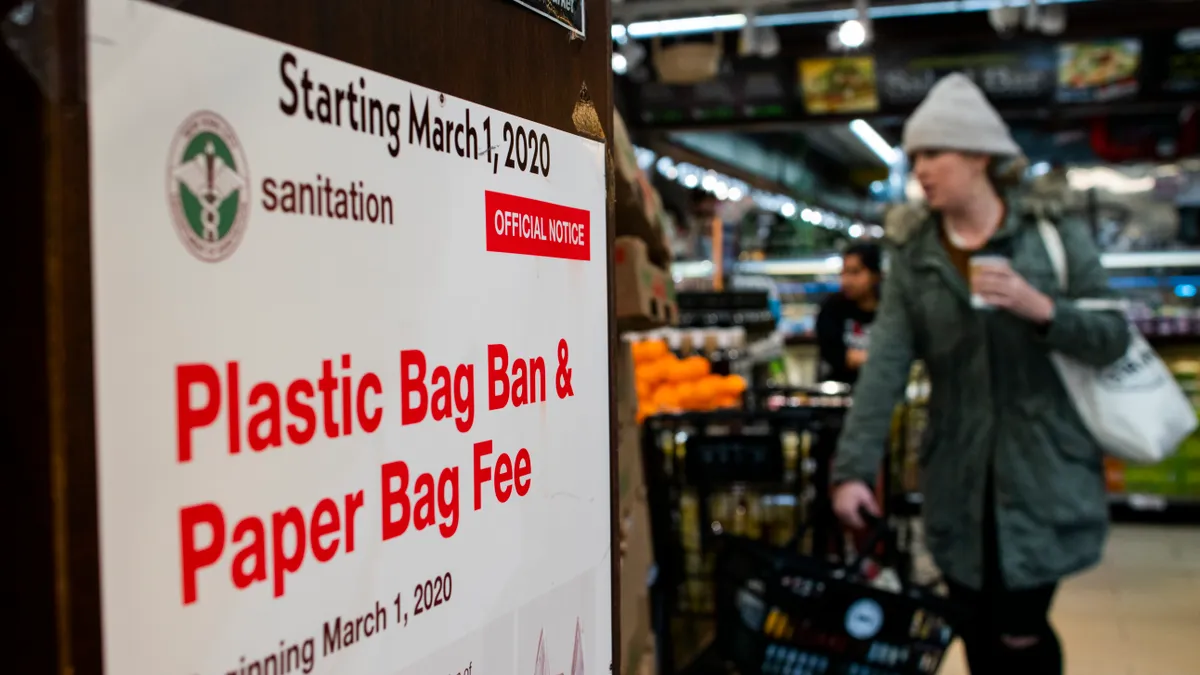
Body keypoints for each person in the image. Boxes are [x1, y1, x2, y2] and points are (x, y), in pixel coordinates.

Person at [830, 73, 1129, 675]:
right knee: (969, 621)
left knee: (1019, 631)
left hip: (1043, 471)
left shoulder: (1051, 235)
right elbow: (885, 365)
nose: (921, 168)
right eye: (915, 155)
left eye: (934, 152)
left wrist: (1040, 308)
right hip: (957, 476)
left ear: (977, 156)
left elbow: (1113, 338)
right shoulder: (915, 258)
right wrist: (852, 470)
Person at [816, 242, 882, 385]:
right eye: (844, 272)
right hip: (838, 393)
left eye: (855, 272)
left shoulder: (891, 311)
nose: (847, 281)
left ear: (875, 275)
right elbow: (835, 356)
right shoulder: (832, 309)